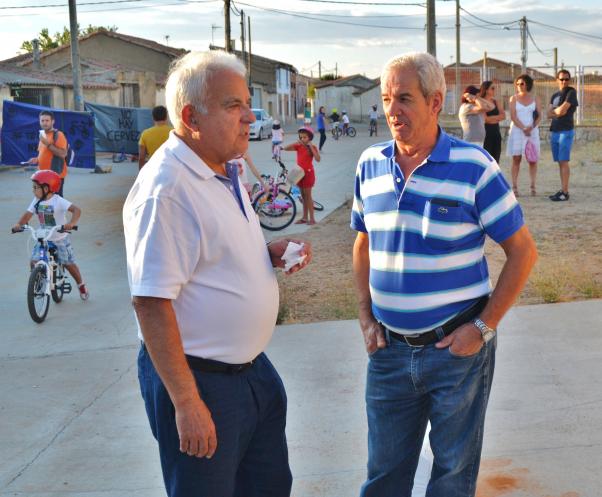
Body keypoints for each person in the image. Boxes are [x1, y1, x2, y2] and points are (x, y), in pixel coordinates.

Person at [123, 50, 312, 497]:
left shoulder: (223, 167)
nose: (249, 117)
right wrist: (187, 402)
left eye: (247, 104)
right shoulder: (167, 190)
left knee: (267, 487)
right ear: (191, 117)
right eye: (233, 106)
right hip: (201, 383)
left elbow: (210, 253)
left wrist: (265, 254)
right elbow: (151, 303)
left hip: (251, 374)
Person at [351, 52, 537, 497]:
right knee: (383, 476)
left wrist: (483, 327)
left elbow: (523, 252)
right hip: (389, 353)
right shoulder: (370, 164)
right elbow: (362, 243)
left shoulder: (474, 166)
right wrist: (365, 316)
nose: (392, 110)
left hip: (457, 353)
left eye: (404, 99)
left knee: (452, 476)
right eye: (386, 99)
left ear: (435, 102)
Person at [12, 170, 89, 300]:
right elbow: (28, 214)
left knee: (68, 263)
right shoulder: (36, 201)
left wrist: (71, 223)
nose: (33, 190)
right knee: (34, 261)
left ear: (46, 188)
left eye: (35, 187)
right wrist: (19, 224)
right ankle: (39, 281)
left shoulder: (58, 201)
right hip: (44, 237)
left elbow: (77, 210)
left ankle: (81, 285)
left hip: (60, 237)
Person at [506, 74, 542, 197]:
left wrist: (531, 127)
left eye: (522, 83)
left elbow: (539, 116)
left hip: (532, 131)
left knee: (532, 159)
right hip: (517, 131)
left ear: (528, 84)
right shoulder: (513, 98)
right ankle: (514, 186)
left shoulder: (535, 98)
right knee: (516, 159)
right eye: (517, 84)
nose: (519, 86)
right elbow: (513, 116)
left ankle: (533, 186)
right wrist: (523, 128)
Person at [547, 69, 579, 202]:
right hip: (555, 130)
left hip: (565, 131)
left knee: (564, 161)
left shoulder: (571, 92)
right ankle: (563, 189)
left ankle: (565, 193)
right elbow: (548, 113)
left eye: (567, 79)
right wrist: (557, 111)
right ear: (557, 80)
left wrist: (555, 112)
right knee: (560, 162)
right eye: (561, 79)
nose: (564, 81)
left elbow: (562, 110)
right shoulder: (554, 95)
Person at [282, 126, 320, 225]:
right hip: (299, 173)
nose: (302, 139)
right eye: (301, 137)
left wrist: (311, 146)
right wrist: (296, 142)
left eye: (305, 137)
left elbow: (318, 159)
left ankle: (312, 219)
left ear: (310, 138)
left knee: (308, 196)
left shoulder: (313, 147)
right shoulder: (298, 146)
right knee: (303, 196)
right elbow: (285, 148)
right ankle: (304, 218)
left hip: (308, 174)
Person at [29, 110, 68, 197]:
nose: (44, 123)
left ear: (53, 121)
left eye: (47, 120)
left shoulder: (59, 135)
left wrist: (48, 144)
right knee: (44, 200)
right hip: (42, 175)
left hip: (55, 175)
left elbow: (63, 154)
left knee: (55, 200)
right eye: (42, 120)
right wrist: (36, 159)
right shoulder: (42, 135)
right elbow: (43, 153)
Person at [138, 105, 172, 170]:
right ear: (166, 117)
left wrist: (141, 172)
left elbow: (141, 157)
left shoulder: (145, 133)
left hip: (153, 169)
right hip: (170, 169)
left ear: (153, 117)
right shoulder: (174, 132)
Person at [480, 80, 506, 163]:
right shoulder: (481, 102)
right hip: (486, 132)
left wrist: (492, 118)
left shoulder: (496, 101)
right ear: (486, 90)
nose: (495, 90)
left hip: (496, 132)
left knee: (496, 158)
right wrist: (497, 118)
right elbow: (485, 119)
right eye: (492, 88)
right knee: (487, 159)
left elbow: (503, 116)